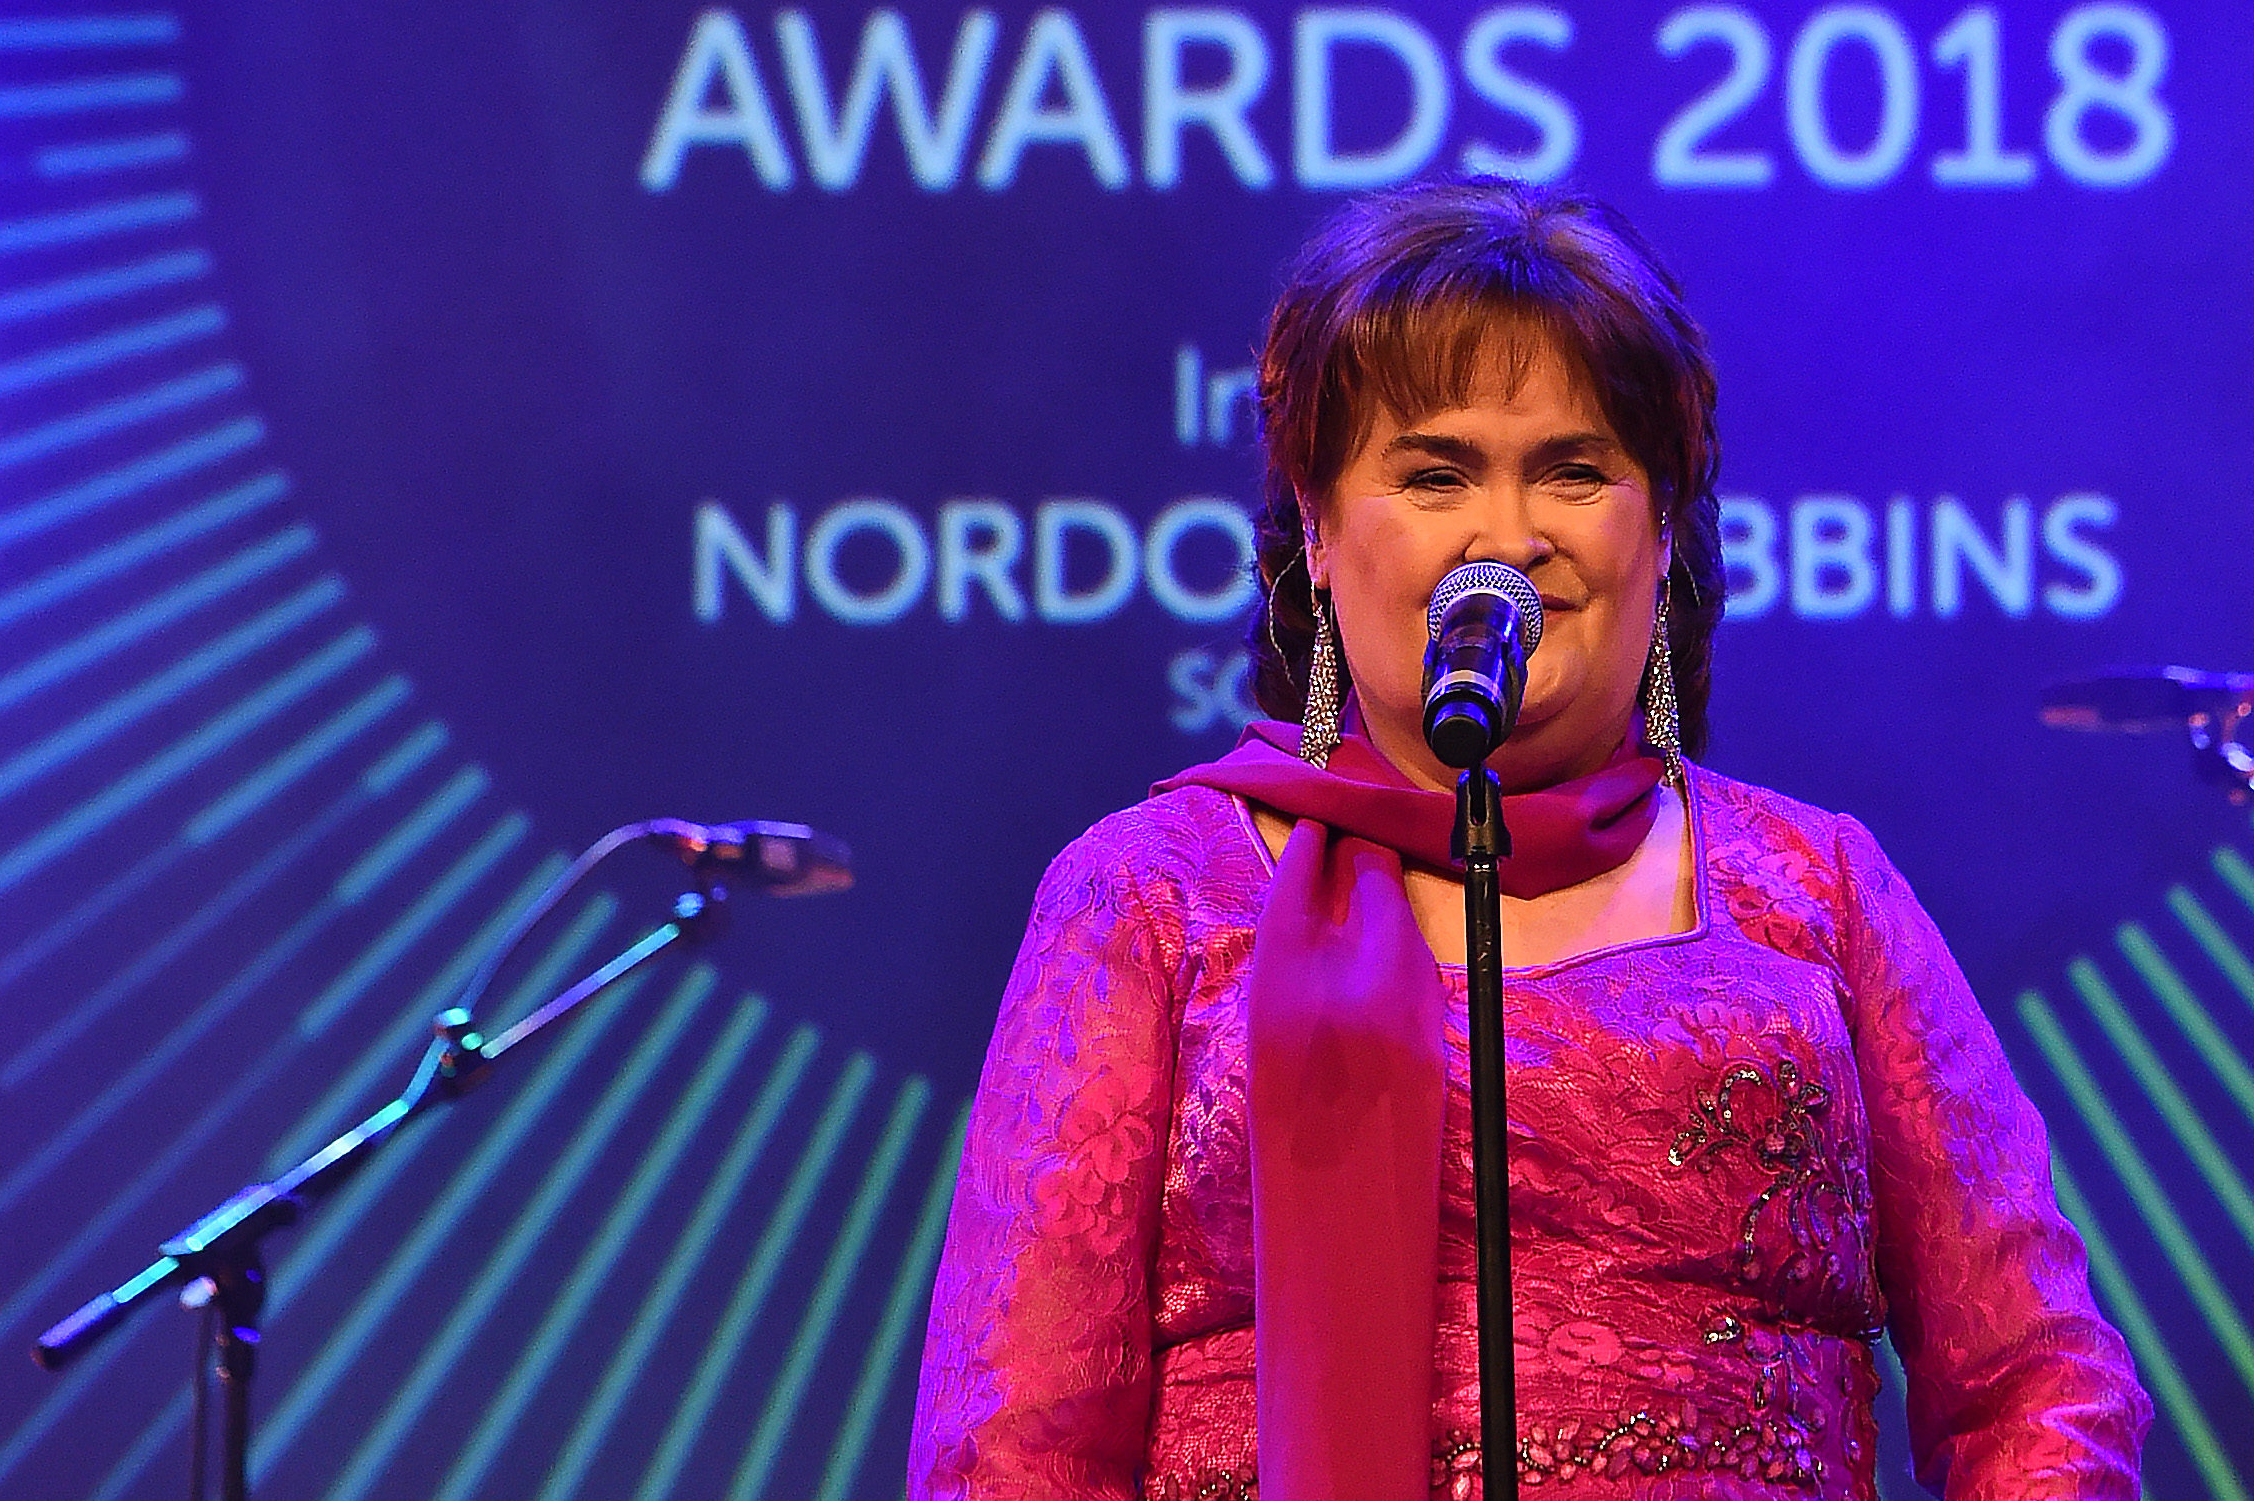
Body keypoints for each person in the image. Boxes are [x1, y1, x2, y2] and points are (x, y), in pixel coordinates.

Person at [911, 180, 2151, 1500]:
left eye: (1575, 470)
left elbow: (2037, 1381)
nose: (1508, 540)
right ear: (1317, 536)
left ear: (1660, 530)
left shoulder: (1817, 891)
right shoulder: (1147, 896)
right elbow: (1012, 1447)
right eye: (1436, 474)